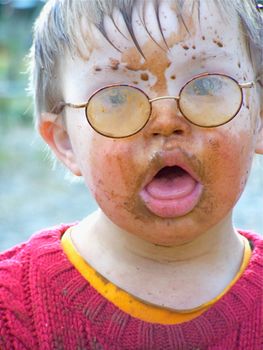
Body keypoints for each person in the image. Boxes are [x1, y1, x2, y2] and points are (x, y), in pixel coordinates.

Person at [0, 0, 262, 349]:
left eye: (205, 85)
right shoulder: (12, 312)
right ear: (65, 142)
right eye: (117, 98)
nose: (166, 121)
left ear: (258, 118)